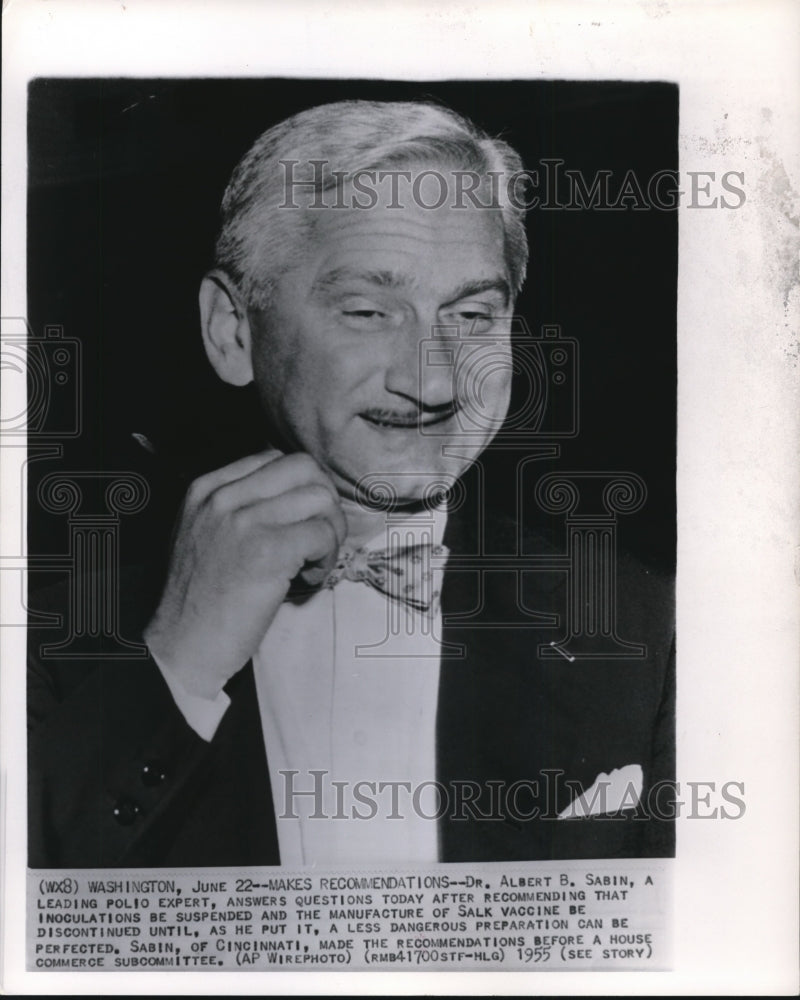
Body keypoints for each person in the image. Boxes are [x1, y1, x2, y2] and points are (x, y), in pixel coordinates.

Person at [28, 100, 675, 868]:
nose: (432, 379)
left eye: (471, 315)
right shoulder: (47, 631)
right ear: (233, 333)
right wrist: (177, 665)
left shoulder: (642, 623)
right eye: (369, 311)